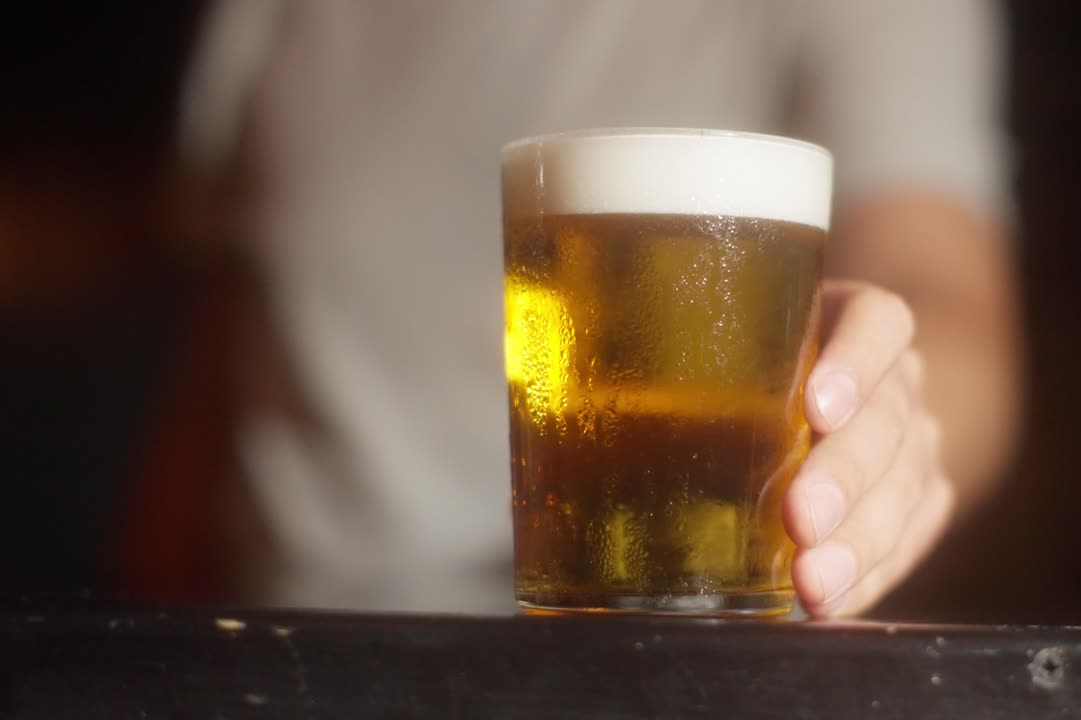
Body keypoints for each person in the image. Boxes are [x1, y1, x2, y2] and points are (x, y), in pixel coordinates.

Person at [176, 0, 1022, 617]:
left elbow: (941, 292)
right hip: (290, 651)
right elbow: (214, 350)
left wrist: (893, 413)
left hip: (667, 653)